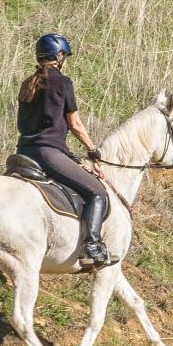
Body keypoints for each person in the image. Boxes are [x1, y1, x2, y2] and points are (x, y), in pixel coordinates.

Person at [16, 33, 112, 266]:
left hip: (23, 153)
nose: (65, 60)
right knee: (97, 192)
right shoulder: (63, 82)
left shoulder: (27, 84)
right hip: (48, 154)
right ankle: (92, 245)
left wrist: (70, 156)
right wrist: (93, 151)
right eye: (65, 56)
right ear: (59, 56)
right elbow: (75, 125)